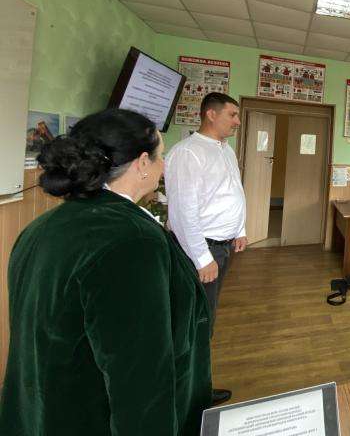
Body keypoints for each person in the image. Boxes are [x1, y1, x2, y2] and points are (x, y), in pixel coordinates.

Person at [0, 109, 212, 436]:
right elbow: (140, 378)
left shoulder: (41, 228)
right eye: (161, 156)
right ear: (143, 163)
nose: (164, 166)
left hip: (40, 412)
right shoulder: (131, 241)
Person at [165, 92, 246, 405]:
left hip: (222, 248)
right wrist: (202, 258)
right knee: (195, 322)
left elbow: (233, 191)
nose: (237, 122)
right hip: (202, 250)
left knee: (204, 320)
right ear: (211, 114)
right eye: (232, 115)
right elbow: (182, 212)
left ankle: (195, 386)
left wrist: (239, 230)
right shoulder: (188, 153)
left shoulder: (226, 149)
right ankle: (187, 395)